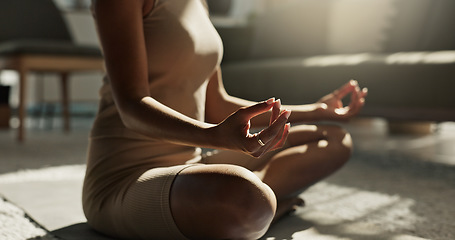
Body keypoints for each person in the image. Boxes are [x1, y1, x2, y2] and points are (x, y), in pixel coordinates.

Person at [83, 0, 368, 239]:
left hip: (190, 166)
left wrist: (316, 111)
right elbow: (131, 107)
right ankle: (258, 206)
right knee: (244, 198)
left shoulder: (198, 3)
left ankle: (256, 204)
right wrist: (213, 136)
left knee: (332, 138)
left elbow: (217, 105)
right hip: (126, 178)